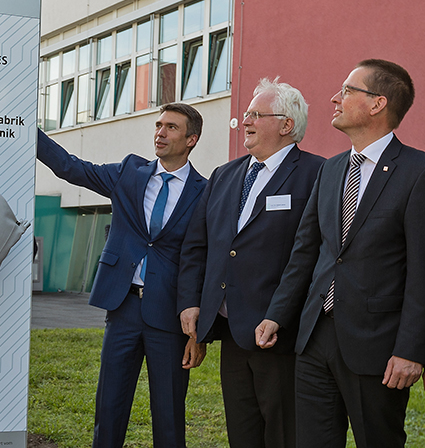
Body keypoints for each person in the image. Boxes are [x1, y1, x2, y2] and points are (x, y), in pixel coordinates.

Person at [256, 59, 425, 448]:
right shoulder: (331, 170)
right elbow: (306, 251)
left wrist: (411, 350)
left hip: (377, 346)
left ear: (377, 103)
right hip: (315, 336)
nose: (335, 97)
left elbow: (421, 271)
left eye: (348, 91)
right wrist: (277, 314)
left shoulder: (416, 173)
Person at [36, 103, 207, 448]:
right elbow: (71, 167)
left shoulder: (205, 192)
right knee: (109, 407)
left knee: (169, 413)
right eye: (158, 125)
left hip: (170, 316)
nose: (160, 132)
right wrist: (29, 131)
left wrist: (199, 331)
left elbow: (203, 259)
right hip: (123, 308)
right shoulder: (130, 172)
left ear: (192, 139)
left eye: (171, 127)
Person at [177, 78, 324, 448]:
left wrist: (279, 314)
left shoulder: (317, 174)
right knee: (241, 433)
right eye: (246, 114)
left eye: (256, 115)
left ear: (286, 125)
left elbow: (309, 257)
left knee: (283, 432)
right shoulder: (226, 175)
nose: (245, 121)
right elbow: (198, 245)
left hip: (278, 334)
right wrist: (192, 302)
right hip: (229, 329)